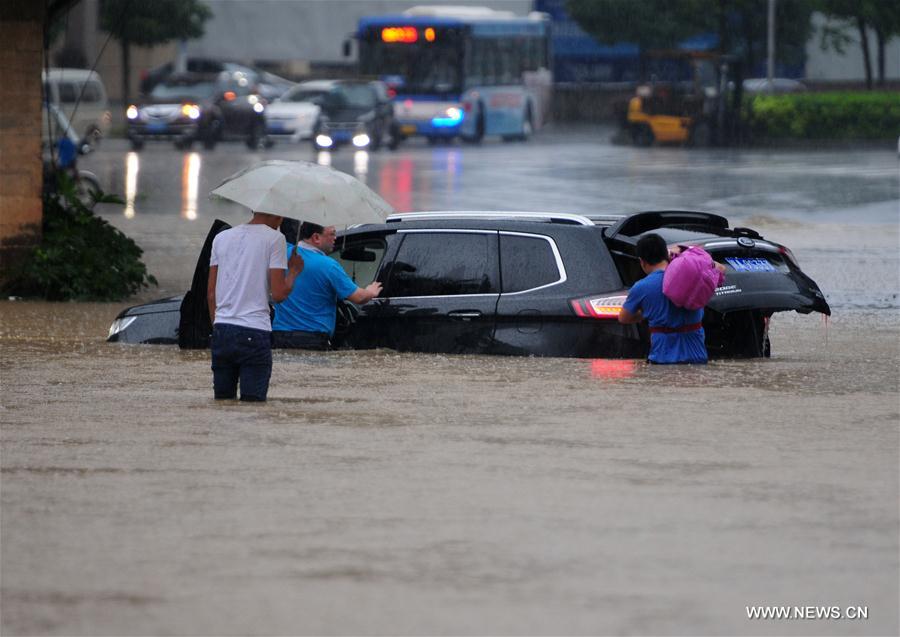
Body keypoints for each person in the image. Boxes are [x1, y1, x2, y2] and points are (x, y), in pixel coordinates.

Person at [207, 212, 304, 401]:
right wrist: (293, 271)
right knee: (253, 408)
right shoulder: (276, 239)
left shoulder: (221, 238)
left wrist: (218, 327)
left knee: (223, 403)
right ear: (277, 215)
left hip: (222, 329)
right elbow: (278, 294)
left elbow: (211, 294)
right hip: (254, 330)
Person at [273, 222, 382, 350]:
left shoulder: (283, 254)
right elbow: (359, 297)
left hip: (278, 337)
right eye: (332, 234)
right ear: (316, 238)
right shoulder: (329, 266)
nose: (335, 238)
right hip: (312, 341)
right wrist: (370, 291)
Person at [618, 233, 710, 364]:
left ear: (642, 261)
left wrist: (645, 313)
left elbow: (624, 318)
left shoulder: (641, 287)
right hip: (698, 357)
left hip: (663, 359)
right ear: (666, 255)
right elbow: (716, 270)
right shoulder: (693, 278)